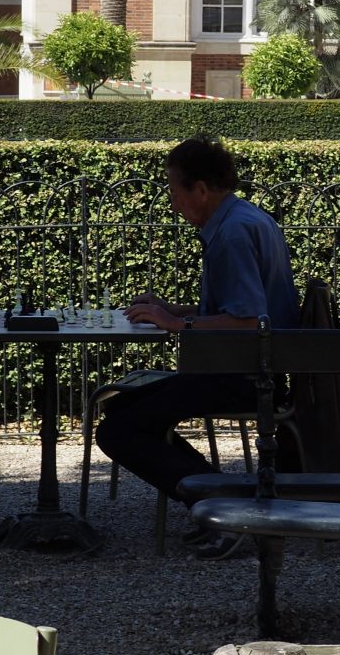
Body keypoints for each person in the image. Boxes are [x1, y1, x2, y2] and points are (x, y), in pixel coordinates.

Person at [95, 135, 300, 559]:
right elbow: (237, 309)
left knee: (118, 427)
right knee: (122, 413)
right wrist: (175, 309)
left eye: (174, 191)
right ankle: (221, 501)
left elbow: (247, 322)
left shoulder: (231, 235)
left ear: (201, 190)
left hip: (244, 376)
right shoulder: (244, 220)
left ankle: (227, 508)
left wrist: (175, 323)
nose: (172, 203)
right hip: (251, 368)